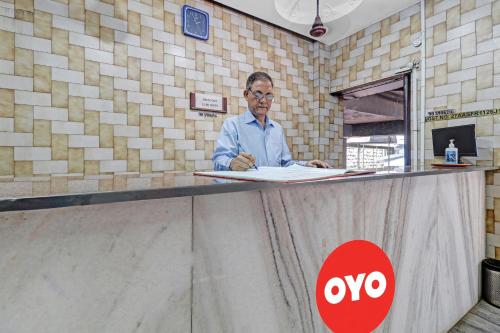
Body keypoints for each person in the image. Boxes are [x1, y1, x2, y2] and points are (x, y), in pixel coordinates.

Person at [212, 72, 331, 171]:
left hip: (274, 193)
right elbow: (218, 161)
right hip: (245, 193)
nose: (263, 100)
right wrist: (231, 163)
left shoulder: (277, 128)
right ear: (246, 94)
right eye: (258, 94)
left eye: (268, 95)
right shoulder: (232, 125)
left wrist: (306, 165)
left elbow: (285, 163)